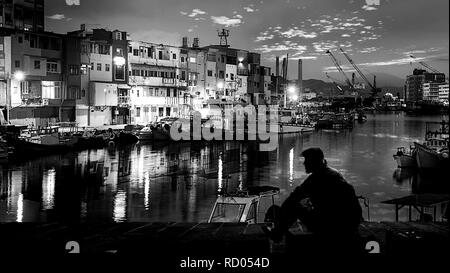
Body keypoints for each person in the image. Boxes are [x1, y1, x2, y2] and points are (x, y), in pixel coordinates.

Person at [264, 147, 363, 253]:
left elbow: (293, 199)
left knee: (295, 207)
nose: (304, 164)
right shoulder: (333, 173)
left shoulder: (317, 178)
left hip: (334, 226)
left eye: (306, 161)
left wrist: (281, 216)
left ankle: (277, 234)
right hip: (349, 223)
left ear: (314, 162)